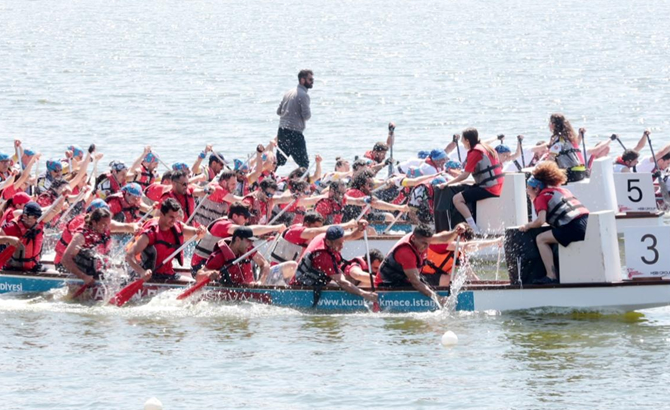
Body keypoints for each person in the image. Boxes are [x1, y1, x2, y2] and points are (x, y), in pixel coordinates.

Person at [519, 162, 590, 284]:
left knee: (541, 239)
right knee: (552, 236)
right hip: (588, 223)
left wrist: (527, 226)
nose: (527, 191)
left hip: (575, 227)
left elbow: (540, 221)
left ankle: (551, 276)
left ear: (536, 188)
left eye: (528, 188)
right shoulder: (562, 190)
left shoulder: (541, 197)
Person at [376, 223, 466, 306]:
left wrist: (455, 232)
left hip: (406, 277)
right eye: (424, 243)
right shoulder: (406, 252)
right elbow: (416, 282)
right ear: (413, 238)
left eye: (429, 243)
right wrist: (438, 299)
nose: (427, 247)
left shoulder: (422, 238)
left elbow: (443, 238)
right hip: (388, 284)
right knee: (424, 286)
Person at [437, 127, 504, 234]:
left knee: (457, 199)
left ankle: (474, 229)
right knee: (469, 192)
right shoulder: (486, 147)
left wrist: (446, 183)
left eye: (462, 140)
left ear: (467, 140)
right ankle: (475, 223)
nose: (461, 142)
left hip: (489, 189)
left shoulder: (475, 153)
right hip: (497, 186)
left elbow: (465, 175)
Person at [291, 223, 379, 304]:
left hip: (318, 277)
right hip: (304, 287)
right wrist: (364, 294)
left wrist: (360, 229)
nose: (342, 246)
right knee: (343, 285)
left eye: (342, 242)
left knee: (352, 281)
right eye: (339, 244)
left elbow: (352, 235)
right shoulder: (324, 256)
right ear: (328, 242)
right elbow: (342, 282)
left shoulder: (326, 236)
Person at [190, 202, 286, 272]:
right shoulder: (222, 225)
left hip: (213, 265)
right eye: (245, 217)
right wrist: (276, 228)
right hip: (200, 267)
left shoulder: (236, 234)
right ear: (235, 216)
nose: (247, 220)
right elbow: (249, 230)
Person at [125, 198, 205, 282]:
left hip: (167, 275)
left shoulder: (178, 226)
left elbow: (195, 233)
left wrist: (200, 231)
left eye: (176, 217)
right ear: (161, 214)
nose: (174, 221)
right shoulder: (150, 233)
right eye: (171, 217)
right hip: (149, 276)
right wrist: (142, 272)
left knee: (192, 283)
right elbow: (129, 255)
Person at [60, 207, 135, 284]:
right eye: (104, 225)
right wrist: (83, 276)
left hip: (97, 273)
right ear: (94, 223)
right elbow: (65, 259)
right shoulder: (81, 236)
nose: (107, 228)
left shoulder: (106, 225)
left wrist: (136, 228)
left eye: (108, 225)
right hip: (81, 277)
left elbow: (127, 227)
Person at [0, 200, 64, 272]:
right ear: (25, 216)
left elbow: (56, 210)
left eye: (38, 217)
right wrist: (8, 239)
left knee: (55, 273)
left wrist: (64, 196)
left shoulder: (39, 222)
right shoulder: (11, 227)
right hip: (13, 269)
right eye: (35, 217)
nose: (37, 219)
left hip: (34, 267)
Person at [196, 227, 269, 285]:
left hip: (249, 291)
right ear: (238, 240)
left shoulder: (248, 249)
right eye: (248, 240)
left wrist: (260, 282)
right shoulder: (219, 256)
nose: (251, 244)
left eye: (252, 241)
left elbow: (265, 264)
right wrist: (208, 274)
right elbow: (198, 276)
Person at [276, 69, 313, 168]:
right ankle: (305, 178)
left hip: (282, 131)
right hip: (294, 133)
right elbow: (306, 116)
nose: (312, 81)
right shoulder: (304, 95)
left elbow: (278, 112)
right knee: (304, 164)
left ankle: (268, 176)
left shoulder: (288, 93)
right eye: (310, 79)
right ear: (302, 80)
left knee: (278, 162)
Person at [546, 113, 586, 182]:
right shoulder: (568, 138)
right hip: (579, 172)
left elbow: (551, 159)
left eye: (550, 123)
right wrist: (580, 135)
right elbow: (576, 144)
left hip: (570, 173)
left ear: (553, 125)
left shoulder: (558, 140)